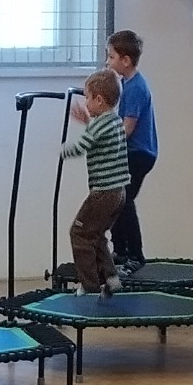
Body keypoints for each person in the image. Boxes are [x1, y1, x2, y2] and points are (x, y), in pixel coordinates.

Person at [62, 73, 130, 294]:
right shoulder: (115, 120)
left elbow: (82, 146)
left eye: (88, 98)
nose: (86, 103)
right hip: (119, 192)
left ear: (99, 100)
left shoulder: (99, 126)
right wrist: (88, 122)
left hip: (103, 193)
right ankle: (111, 278)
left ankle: (89, 285)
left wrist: (63, 151)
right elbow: (98, 136)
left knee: (79, 233)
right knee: (96, 233)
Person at [105, 29, 156, 272]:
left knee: (123, 200)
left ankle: (135, 255)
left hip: (140, 152)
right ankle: (121, 250)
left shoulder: (135, 87)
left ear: (125, 60)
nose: (108, 62)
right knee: (116, 199)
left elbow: (127, 128)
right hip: (133, 151)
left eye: (111, 57)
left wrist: (107, 141)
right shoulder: (127, 83)